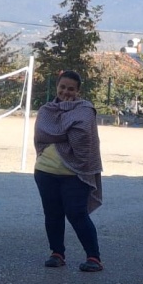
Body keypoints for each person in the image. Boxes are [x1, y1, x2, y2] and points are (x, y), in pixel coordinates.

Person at [33, 70, 104, 272]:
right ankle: (57, 253)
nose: (66, 91)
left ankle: (94, 257)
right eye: (62, 87)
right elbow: (42, 134)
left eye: (71, 88)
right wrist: (65, 134)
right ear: (57, 87)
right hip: (45, 171)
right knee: (52, 214)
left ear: (78, 91)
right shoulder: (46, 110)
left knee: (77, 213)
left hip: (75, 172)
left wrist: (57, 136)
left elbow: (82, 140)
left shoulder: (85, 111)